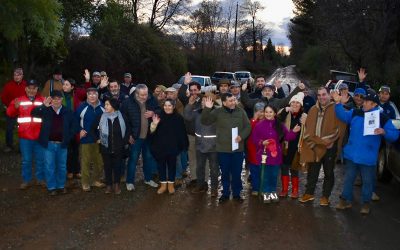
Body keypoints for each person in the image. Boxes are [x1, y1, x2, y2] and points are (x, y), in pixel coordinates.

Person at [333, 90, 399, 214]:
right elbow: (342, 116)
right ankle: (344, 200)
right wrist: (337, 104)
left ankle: (366, 204)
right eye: (364, 101)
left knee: (368, 182)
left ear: (374, 104)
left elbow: (395, 134)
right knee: (348, 179)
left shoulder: (382, 118)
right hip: (351, 155)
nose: (364, 103)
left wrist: (384, 132)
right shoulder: (355, 112)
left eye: (367, 102)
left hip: (368, 158)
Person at [299, 87, 346, 206]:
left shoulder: (336, 108)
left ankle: (325, 196)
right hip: (315, 146)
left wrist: (328, 141)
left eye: (324, 94)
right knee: (312, 171)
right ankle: (309, 193)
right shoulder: (313, 109)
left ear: (329, 95)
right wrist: (316, 142)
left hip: (330, 147)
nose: (321, 97)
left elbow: (339, 129)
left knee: (328, 172)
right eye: (319, 95)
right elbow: (308, 129)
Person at [201, 93, 251, 203]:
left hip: (237, 149)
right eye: (230, 101)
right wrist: (207, 109)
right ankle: (225, 194)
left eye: (234, 100)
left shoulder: (241, 111)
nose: (233, 102)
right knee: (225, 173)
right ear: (224, 103)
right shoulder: (218, 112)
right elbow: (204, 121)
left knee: (237, 173)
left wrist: (241, 136)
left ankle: (237, 194)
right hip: (223, 150)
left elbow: (248, 126)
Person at [31, 90, 77, 195]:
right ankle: (51, 187)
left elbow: (74, 127)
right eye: (54, 98)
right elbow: (33, 113)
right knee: (49, 166)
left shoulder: (68, 111)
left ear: (62, 99)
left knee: (61, 166)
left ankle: (61, 186)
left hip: (62, 144)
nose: (56, 101)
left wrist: (68, 138)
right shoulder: (46, 110)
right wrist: (43, 105)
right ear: (51, 99)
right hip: (49, 144)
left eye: (59, 98)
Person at [252, 105, 300, 203]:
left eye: (270, 112)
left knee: (274, 175)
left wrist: (293, 132)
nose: (268, 114)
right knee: (265, 175)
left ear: (275, 113)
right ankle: (266, 193)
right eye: (266, 112)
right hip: (264, 156)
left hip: (275, 156)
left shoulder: (280, 125)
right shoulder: (259, 125)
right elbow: (254, 139)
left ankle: (272, 192)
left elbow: (287, 137)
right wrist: (262, 142)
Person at [6, 80, 45, 189]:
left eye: (34, 88)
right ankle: (26, 180)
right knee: (26, 160)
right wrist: (15, 107)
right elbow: (9, 113)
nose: (31, 90)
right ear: (26, 89)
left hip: (39, 136)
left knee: (40, 159)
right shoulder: (19, 100)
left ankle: (40, 179)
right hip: (25, 137)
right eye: (29, 88)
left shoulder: (42, 100)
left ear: (37, 89)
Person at [121, 84, 160, 191]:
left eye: (146, 94)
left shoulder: (152, 100)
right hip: (135, 137)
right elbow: (123, 120)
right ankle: (129, 181)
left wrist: (153, 113)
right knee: (133, 159)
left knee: (148, 158)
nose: (145, 97)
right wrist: (128, 135)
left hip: (149, 136)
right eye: (142, 95)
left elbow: (159, 110)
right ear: (136, 93)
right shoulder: (127, 103)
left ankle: (148, 179)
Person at [149, 99, 189, 194]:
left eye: (169, 105)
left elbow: (182, 132)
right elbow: (151, 132)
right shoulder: (158, 116)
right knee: (161, 166)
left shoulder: (178, 118)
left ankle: (171, 185)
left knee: (172, 166)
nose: (167, 107)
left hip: (173, 147)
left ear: (173, 107)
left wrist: (183, 144)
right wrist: (154, 124)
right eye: (165, 105)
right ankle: (163, 185)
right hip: (160, 147)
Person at [92, 98, 130, 194]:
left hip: (118, 147)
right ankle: (109, 185)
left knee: (118, 167)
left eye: (107, 105)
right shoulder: (100, 117)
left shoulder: (123, 117)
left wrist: (124, 142)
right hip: (105, 147)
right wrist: (97, 138)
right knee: (107, 166)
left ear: (113, 106)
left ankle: (116, 185)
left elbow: (127, 131)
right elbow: (93, 129)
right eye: (105, 104)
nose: (105, 107)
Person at [183, 92, 218, 196]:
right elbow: (187, 117)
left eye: (207, 100)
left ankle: (214, 189)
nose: (204, 102)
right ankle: (200, 185)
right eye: (203, 100)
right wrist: (189, 104)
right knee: (200, 167)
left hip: (213, 147)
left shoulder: (217, 112)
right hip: (200, 145)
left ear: (212, 102)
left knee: (214, 169)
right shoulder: (197, 112)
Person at [75, 88, 106, 191]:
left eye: (94, 94)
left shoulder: (103, 107)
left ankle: (95, 180)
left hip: (99, 139)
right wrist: (79, 130)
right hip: (86, 139)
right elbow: (75, 121)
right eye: (90, 94)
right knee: (86, 161)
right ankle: (85, 182)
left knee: (100, 161)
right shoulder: (82, 107)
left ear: (98, 95)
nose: (92, 96)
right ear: (87, 95)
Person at [278, 92, 306, 198]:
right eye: (293, 102)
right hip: (285, 146)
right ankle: (284, 189)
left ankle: (295, 190)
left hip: (297, 147)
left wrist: (306, 122)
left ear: (301, 105)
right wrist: (285, 111)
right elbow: (276, 121)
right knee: (284, 168)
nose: (295, 104)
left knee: (294, 169)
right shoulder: (284, 113)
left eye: (297, 103)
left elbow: (307, 131)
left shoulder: (304, 116)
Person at [62, 79, 86, 179]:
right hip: (64, 127)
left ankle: (77, 170)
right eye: (64, 84)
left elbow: (85, 94)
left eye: (67, 85)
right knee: (67, 150)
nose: (64, 86)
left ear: (72, 87)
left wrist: (87, 80)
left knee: (76, 150)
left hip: (75, 127)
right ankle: (69, 171)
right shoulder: (59, 97)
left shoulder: (76, 96)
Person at [1, 68, 27, 152]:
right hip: (11, 111)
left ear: (22, 76)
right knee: (9, 128)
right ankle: (9, 145)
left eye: (19, 75)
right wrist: (9, 106)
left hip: (23, 111)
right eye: (15, 75)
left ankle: (23, 146)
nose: (17, 76)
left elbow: (31, 96)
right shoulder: (8, 85)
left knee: (23, 128)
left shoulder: (26, 85)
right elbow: (3, 97)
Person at [240, 81, 305, 111]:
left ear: (273, 92)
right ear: (262, 93)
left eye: (269, 91)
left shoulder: (278, 102)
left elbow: (288, 100)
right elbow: (246, 102)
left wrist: (298, 88)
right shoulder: (256, 101)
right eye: (265, 91)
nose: (267, 92)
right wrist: (243, 90)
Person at [247, 102, 265, 195]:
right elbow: (249, 131)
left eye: (262, 112)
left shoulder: (267, 122)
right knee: (254, 171)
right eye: (258, 112)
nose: (261, 114)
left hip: (264, 151)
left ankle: (262, 187)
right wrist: (254, 119)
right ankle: (255, 188)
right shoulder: (252, 122)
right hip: (253, 150)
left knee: (263, 170)